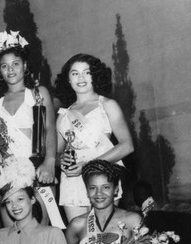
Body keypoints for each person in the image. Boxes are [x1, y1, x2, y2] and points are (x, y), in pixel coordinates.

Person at [0, 31, 60, 228]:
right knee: (12, 237)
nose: (10, 70)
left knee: (41, 233)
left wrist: (50, 161)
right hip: (7, 175)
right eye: (4, 66)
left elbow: (50, 128)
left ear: (25, 66)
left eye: (15, 64)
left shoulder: (38, 94)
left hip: (38, 169)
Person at [54, 54, 134, 222]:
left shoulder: (107, 105)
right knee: (80, 236)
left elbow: (127, 146)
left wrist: (89, 165)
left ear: (95, 75)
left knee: (107, 235)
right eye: (75, 73)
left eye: (86, 72)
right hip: (72, 179)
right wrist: (64, 161)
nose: (81, 78)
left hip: (102, 175)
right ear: (68, 79)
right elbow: (55, 156)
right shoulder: (63, 115)